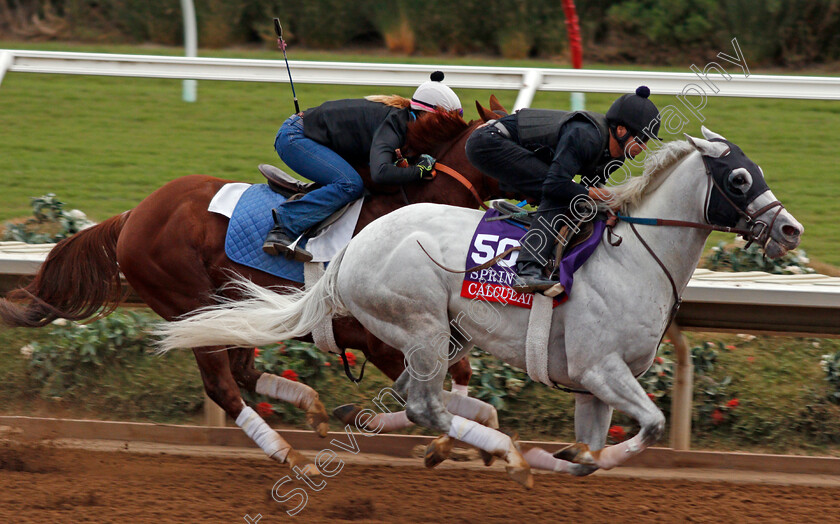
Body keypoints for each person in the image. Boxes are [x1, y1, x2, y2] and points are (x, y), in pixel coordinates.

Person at [465, 86, 661, 293]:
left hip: (514, 148)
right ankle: (527, 270)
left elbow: (589, 190)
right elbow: (557, 185)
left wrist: (610, 207)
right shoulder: (585, 135)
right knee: (559, 193)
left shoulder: (617, 157)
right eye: (642, 139)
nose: (645, 147)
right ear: (621, 130)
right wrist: (608, 196)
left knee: (577, 199)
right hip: (488, 143)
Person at [263, 72, 463, 261]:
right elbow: (381, 172)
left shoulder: (405, 120)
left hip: (315, 135)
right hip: (295, 137)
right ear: (425, 115)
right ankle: (284, 225)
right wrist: (418, 170)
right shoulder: (394, 125)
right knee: (350, 184)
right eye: (440, 124)